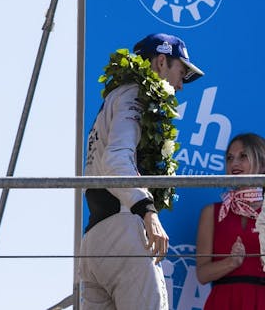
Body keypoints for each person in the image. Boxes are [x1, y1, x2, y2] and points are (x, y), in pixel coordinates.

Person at [79, 33, 204, 310]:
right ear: (161, 62)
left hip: (94, 240)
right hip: (123, 230)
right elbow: (117, 160)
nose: (181, 85)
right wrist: (147, 210)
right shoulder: (135, 95)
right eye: (181, 72)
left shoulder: (115, 98)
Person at [196, 133, 265, 308]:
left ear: (262, 164)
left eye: (243, 156)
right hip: (222, 302)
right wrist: (231, 263)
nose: (234, 163)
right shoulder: (211, 212)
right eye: (229, 158)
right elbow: (202, 274)